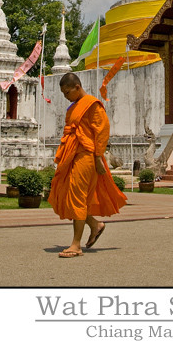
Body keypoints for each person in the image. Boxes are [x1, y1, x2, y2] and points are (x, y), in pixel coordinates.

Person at [48, 72, 127, 257]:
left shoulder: (92, 104)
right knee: (67, 193)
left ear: (77, 87)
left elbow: (102, 131)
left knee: (77, 196)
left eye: (67, 92)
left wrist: (99, 158)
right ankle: (94, 224)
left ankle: (76, 245)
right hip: (72, 154)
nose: (65, 96)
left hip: (87, 156)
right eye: (63, 93)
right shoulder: (74, 107)